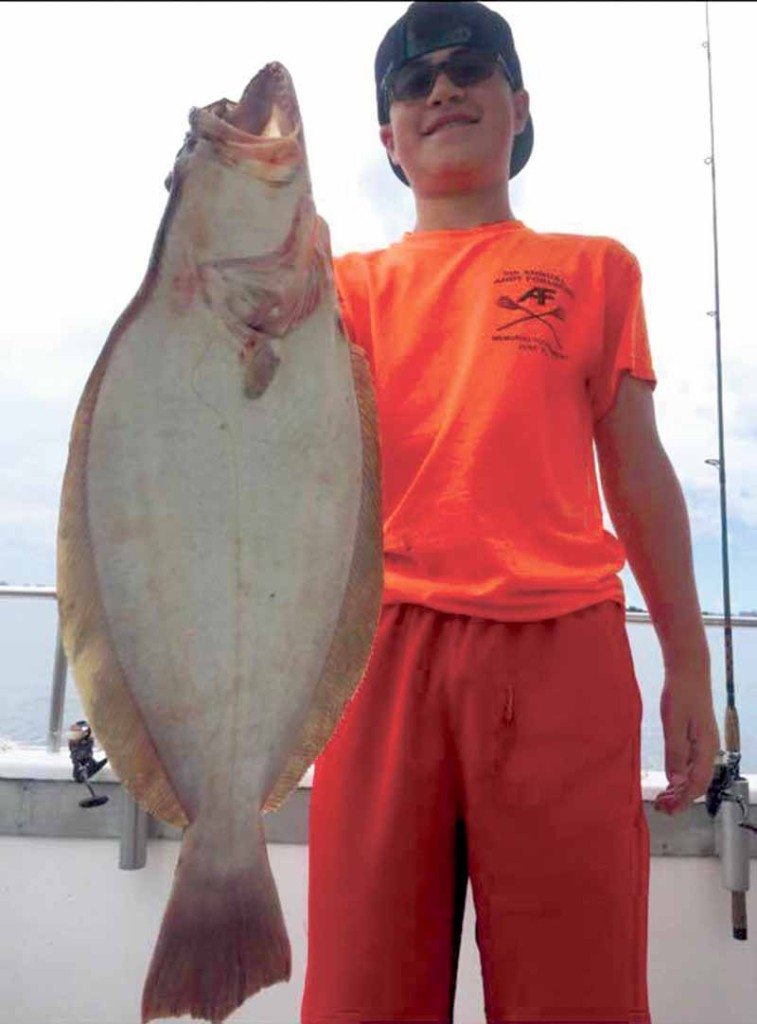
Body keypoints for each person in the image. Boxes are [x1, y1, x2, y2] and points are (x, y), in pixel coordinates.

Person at [301, 4, 721, 1023]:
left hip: (562, 649)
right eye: (413, 84)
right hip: (376, 650)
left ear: (518, 106)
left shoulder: (595, 268)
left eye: (469, 70)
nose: (442, 90)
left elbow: (637, 471)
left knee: (578, 995)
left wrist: (689, 666)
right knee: (360, 996)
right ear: (388, 138)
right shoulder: (335, 289)